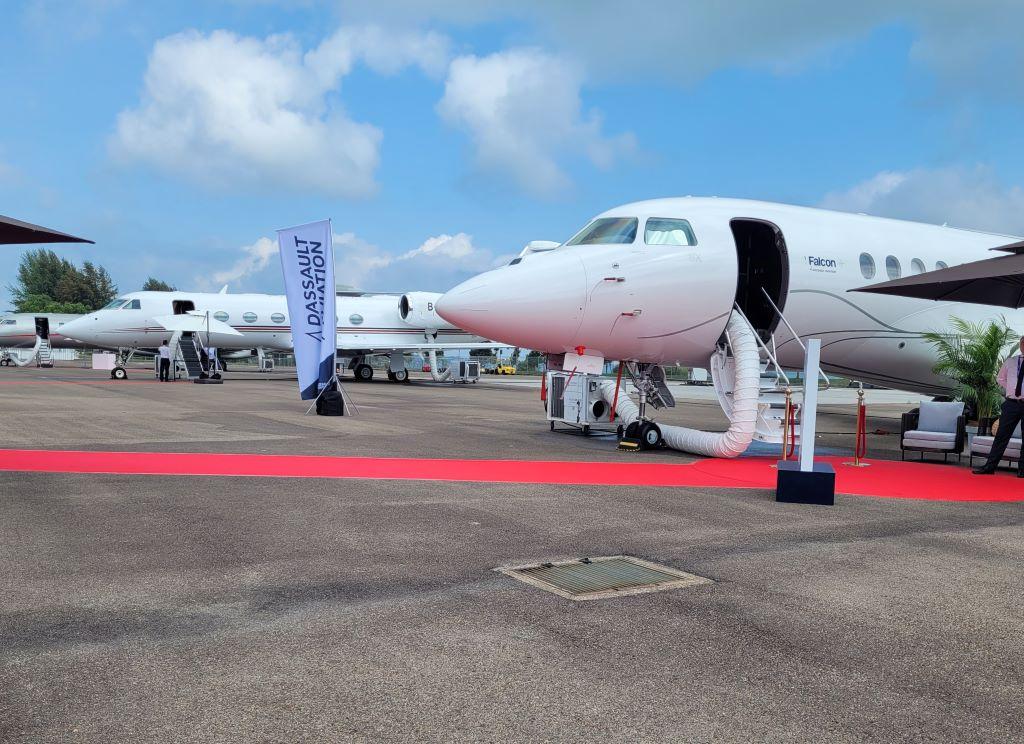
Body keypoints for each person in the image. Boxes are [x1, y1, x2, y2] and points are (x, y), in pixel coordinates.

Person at [973, 335, 1024, 476]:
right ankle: (989, 467)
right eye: (1023, 343)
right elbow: (1000, 378)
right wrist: (1012, 389)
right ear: (1020, 345)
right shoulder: (1011, 362)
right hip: (1011, 404)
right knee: (1001, 436)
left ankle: (1022, 471)